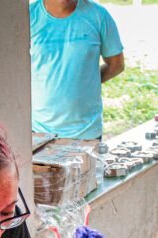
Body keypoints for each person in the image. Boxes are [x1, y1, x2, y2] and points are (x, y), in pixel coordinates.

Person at [30, 0, 125, 140]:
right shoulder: (28, 16)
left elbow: (116, 65)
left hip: (86, 132)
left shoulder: (98, 15)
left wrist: (84, 82)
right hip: (39, 130)